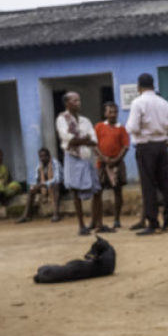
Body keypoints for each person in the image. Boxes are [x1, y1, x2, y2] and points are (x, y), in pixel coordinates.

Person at [125, 73, 168, 235]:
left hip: (146, 147)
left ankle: (153, 223)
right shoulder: (164, 103)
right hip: (162, 146)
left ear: (139, 87)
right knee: (165, 184)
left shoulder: (138, 103)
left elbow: (132, 127)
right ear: (153, 86)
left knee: (148, 186)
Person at [56, 91, 112, 235]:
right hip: (73, 158)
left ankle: (99, 223)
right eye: (74, 101)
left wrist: (80, 139)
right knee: (75, 191)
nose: (78, 103)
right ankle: (81, 225)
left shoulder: (85, 121)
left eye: (79, 100)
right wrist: (83, 139)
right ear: (67, 103)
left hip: (87, 158)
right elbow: (67, 138)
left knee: (97, 189)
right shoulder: (62, 119)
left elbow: (94, 140)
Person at [95, 101, 129, 228]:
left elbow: (125, 147)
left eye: (115, 112)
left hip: (117, 164)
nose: (113, 115)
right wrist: (103, 158)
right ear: (105, 113)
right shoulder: (99, 127)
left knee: (118, 192)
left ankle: (117, 219)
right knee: (98, 192)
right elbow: (94, 144)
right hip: (101, 164)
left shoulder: (121, 128)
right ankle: (98, 220)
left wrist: (116, 160)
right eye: (110, 112)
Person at [16, 147, 63, 223]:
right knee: (31, 190)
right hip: (45, 187)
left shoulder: (55, 163)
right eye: (41, 156)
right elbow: (37, 180)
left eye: (44, 156)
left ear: (49, 156)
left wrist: (43, 184)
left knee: (55, 186)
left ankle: (56, 214)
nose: (43, 158)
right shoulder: (39, 166)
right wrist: (36, 186)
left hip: (59, 186)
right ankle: (26, 215)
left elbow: (57, 179)